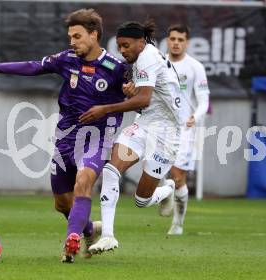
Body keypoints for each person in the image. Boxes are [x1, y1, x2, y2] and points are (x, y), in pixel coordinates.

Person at [0, 9, 127, 263]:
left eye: (77, 36)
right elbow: (32, 67)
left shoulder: (115, 68)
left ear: (94, 35)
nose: (72, 42)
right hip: (66, 138)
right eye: (70, 36)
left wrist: (128, 94)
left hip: (98, 137)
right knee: (62, 203)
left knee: (83, 182)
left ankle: (71, 241)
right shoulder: (67, 59)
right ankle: (88, 229)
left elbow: (138, 96)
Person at [79, 20, 183, 254]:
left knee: (141, 200)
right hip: (144, 125)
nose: (122, 50)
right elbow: (144, 100)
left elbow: (144, 99)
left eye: (126, 45)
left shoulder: (147, 57)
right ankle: (107, 236)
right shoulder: (141, 58)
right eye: (119, 46)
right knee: (110, 170)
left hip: (166, 133)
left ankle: (167, 189)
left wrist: (104, 109)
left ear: (141, 42)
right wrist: (132, 90)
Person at [165, 24, 210, 235]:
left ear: (187, 43)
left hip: (184, 128)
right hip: (159, 127)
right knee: (153, 172)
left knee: (177, 175)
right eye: (172, 38)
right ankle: (164, 196)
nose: (176, 43)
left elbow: (203, 99)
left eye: (180, 40)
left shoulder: (195, 67)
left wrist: (196, 116)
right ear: (167, 40)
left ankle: (178, 222)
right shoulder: (159, 63)